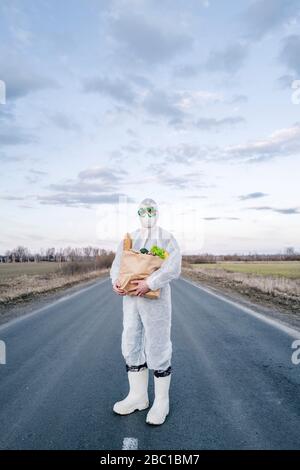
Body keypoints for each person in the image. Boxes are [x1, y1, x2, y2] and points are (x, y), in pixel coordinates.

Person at [110, 198, 182, 425]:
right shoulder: (129, 238)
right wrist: (116, 282)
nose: (147, 214)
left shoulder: (167, 238)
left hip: (155, 301)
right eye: (144, 210)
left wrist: (151, 283)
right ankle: (138, 397)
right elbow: (117, 265)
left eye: (151, 210)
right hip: (131, 300)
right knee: (131, 342)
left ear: (157, 213)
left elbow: (173, 266)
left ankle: (162, 401)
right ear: (138, 213)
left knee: (158, 344)